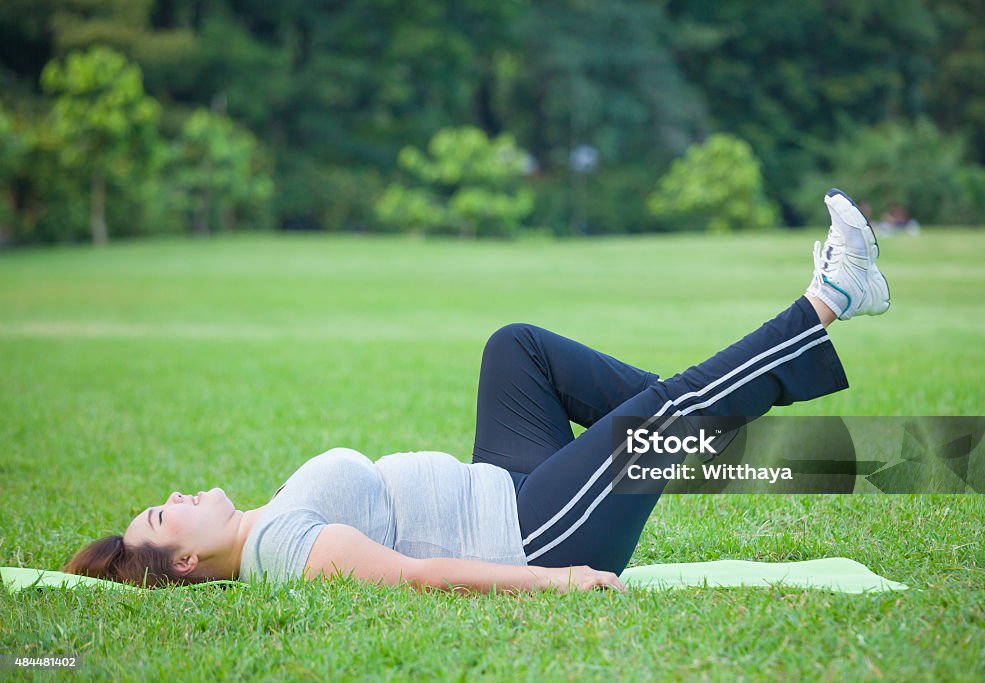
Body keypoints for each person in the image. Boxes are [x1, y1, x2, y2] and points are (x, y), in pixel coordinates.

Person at [63, 189, 890, 594]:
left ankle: (718, 431)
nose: (174, 495)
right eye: (164, 513)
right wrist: (556, 583)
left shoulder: (265, 517)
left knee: (515, 350)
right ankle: (838, 295)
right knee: (657, 419)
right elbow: (413, 576)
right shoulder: (278, 550)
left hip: (511, 485)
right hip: (532, 535)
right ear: (183, 557)